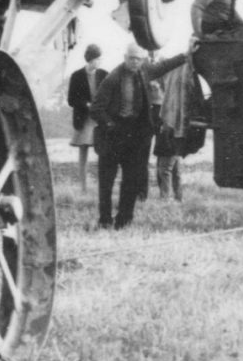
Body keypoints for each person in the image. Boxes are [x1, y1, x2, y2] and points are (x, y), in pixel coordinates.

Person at [92, 43, 190, 229]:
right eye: (132, 58)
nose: (135, 62)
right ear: (125, 57)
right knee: (107, 182)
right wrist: (111, 125)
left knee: (131, 179)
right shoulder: (112, 78)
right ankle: (105, 220)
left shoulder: (144, 71)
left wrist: (186, 55)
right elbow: (96, 109)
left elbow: (164, 66)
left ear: (143, 60)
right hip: (112, 135)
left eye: (139, 59)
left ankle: (124, 221)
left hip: (134, 135)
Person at [152, 46, 201, 203]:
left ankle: (165, 199)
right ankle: (178, 198)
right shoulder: (173, 74)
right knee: (174, 167)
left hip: (169, 125)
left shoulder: (172, 73)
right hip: (168, 124)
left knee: (165, 168)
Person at [66, 44, 106, 192]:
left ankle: (102, 186)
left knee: (102, 153)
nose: (100, 62)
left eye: (100, 59)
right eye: (98, 59)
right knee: (83, 154)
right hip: (84, 120)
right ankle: (83, 188)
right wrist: (86, 104)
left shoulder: (104, 74)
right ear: (90, 59)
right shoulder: (76, 76)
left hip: (100, 119)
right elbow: (71, 100)